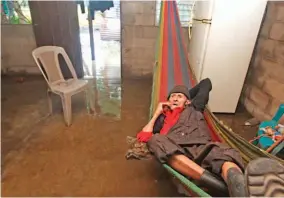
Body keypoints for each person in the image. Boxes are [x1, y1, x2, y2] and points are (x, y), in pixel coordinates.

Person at [136, 78, 284, 197]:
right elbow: (143, 136)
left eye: (178, 96)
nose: (174, 98)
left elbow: (206, 82)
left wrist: (186, 94)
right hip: (176, 151)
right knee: (155, 140)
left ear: (187, 101)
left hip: (202, 146)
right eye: (172, 96)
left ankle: (238, 186)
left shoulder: (195, 106)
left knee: (223, 152)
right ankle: (225, 187)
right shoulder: (162, 119)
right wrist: (157, 113)